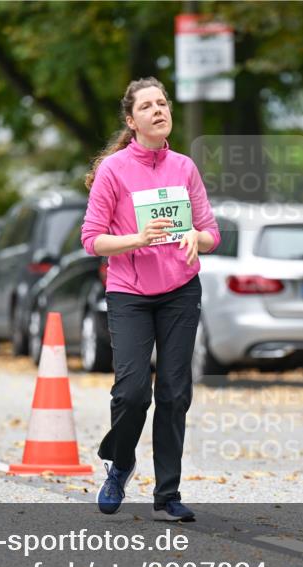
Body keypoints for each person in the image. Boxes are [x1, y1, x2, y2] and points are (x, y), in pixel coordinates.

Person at [81, 77, 221, 522]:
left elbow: (212, 232)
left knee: (175, 393)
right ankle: (120, 463)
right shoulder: (114, 170)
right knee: (133, 392)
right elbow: (91, 240)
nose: (159, 110)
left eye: (163, 103)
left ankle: (168, 494)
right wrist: (135, 239)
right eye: (148, 106)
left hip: (181, 290)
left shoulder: (184, 167)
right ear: (131, 120)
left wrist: (198, 238)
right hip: (130, 293)